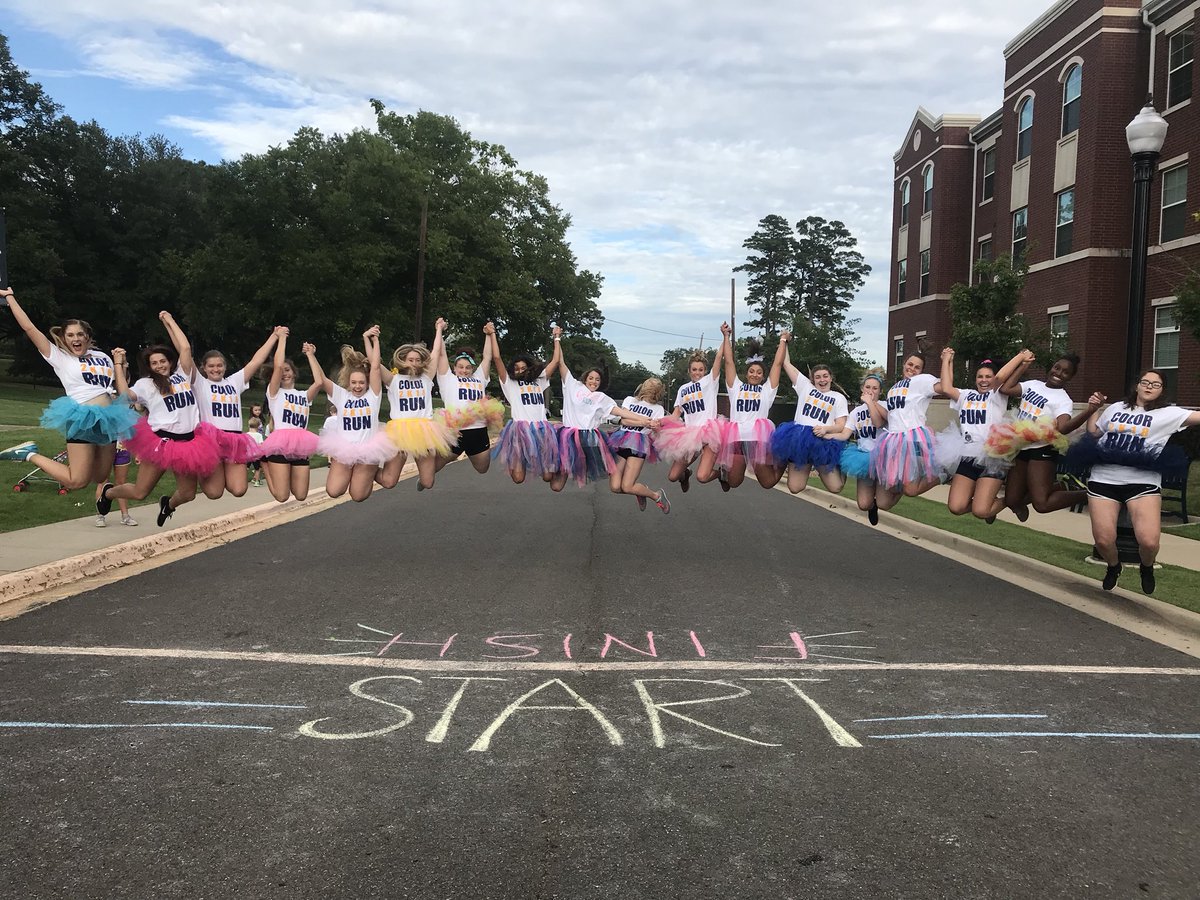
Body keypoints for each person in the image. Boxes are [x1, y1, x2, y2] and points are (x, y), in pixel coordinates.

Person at [0, 289, 139, 503]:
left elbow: (121, 390)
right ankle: (27, 453)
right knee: (77, 481)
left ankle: (104, 495)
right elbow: (29, 328)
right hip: (82, 417)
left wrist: (120, 362)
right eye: (70, 335)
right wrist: (10, 298)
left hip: (109, 418)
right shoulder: (60, 357)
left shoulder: (102, 356)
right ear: (64, 339)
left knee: (101, 476)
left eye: (80, 334)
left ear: (88, 337)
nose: (76, 338)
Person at [1072, 370, 1200, 594]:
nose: (1149, 386)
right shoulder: (1115, 408)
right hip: (1104, 477)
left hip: (1142, 481)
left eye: (1156, 384)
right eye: (1145, 382)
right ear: (1137, 385)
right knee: (1103, 541)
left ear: (1162, 390)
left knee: (1149, 542)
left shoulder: (1169, 413)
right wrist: (1093, 410)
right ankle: (1114, 566)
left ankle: (1146, 567)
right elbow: (1094, 433)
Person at [98, 312, 220, 527]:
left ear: (170, 362)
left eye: (162, 361)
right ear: (149, 367)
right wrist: (118, 364)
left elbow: (185, 348)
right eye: (154, 363)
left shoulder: (183, 375)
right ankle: (109, 493)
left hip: (188, 442)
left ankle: (168, 505)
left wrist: (169, 321)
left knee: (188, 494)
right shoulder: (146, 384)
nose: (160, 365)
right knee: (140, 492)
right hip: (160, 442)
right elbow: (125, 396)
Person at [992, 351, 1098, 520]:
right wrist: (1024, 365)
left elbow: (1063, 428)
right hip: (1021, 447)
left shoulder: (1063, 400)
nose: (1059, 373)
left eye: (1065, 372)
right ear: (1051, 368)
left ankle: (1088, 494)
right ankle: (1059, 486)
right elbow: (1006, 388)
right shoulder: (1033, 384)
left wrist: (1089, 411)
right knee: (1012, 500)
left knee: (1041, 505)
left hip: (1042, 449)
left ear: (1070, 377)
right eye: (1057, 368)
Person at [935, 349, 1029, 522]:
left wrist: (1020, 357)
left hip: (992, 455)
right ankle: (989, 506)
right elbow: (947, 387)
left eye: (988, 376)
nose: (984, 380)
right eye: (980, 376)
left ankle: (1015, 501)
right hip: (968, 455)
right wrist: (947, 359)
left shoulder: (997, 395)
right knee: (956, 507)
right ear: (975, 379)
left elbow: (1001, 378)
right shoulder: (966, 395)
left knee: (980, 511)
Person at [194, 327, 282, 500]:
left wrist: (274, 336)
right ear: (203, 368)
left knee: (239, 489)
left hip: (234, 441)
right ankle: (200, 469)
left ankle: (221, 473)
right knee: (214, 493)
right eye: (211, 366)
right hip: (210, 440)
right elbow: (185, 353)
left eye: (219, 365)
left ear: (225, 366)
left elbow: (256, 362)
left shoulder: (234, 382)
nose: (216, 369)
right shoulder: (199, 383)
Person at [551, 354, 659, 492]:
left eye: (597, 379)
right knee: (554, 483)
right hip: (567, 437)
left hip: (586, 441)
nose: (594, 382)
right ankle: (548, 472)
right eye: (591, 378)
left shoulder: (602, 398)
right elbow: (560, 362)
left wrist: (644, 420)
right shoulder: (573, 386)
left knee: (557, 487)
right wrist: (557, 338)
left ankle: (642, 492)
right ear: (585, 379)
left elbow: (621, 412)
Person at [314, 326, 397, 502]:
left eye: (361, 382)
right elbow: (321, 380)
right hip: (345, 449)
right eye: (354, 382)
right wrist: (311, 356)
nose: (357, 386)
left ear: (367, 384)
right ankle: (359, 474)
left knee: (358, 496)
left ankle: (369, 471)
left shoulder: (373, 396)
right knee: (334, 491)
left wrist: (372, 339)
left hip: (368, 449)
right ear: (348, 382)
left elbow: (375, 368)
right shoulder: (341, 395)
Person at [380, 319, 456, 492]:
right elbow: (376, 364)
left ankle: (423, 480)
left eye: (417, 360)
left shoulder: (426, 378)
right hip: (399, 430)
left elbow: (435, 351)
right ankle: (367, 472)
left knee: (428, 482)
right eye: (410, 359)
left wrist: (438, 329)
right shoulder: (393, 380)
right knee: (389, 482)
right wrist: (372, 340)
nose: (413, 363)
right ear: (402, 361)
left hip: (424, 430)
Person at [770, 331, 849, 494]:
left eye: (825, 376)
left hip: (823, 441)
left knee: (836, 487)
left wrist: (826, 429)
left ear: (831, 378)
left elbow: (840, 425)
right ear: (813, 379)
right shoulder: (806, 386)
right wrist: (784, 340)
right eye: (818, 377)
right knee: (795, 487)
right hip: (800, 440)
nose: (822, 380)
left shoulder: (838, 397)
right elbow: (786, 363)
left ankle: (841, 465)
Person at [489, 324, 561, 485]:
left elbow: (555, 361)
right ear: (512, 371)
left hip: (542, 429)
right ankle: (522, 459)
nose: (521, 370)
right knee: (518, 479)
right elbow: (497, 358)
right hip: (520, 431)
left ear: (529, 368)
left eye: (523, 368)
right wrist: (492, 334)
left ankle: (555, 464)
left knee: (548, 477)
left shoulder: (539, 380)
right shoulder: (509, 384)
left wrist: (556, 337)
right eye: (517, 368)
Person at [654, 333, 726, 492]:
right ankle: (685, 474)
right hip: (690, 436)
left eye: (701, 370)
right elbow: (675, 415)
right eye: (694, 369)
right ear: (689, 371)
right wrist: (660, 422)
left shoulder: (710, 381)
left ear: (705, 370)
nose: (697, 373)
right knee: (673, 476)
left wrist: (725, 336)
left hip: (709, 433)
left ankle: (721, 474)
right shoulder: (683, 389)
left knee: (702, 477)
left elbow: (719, 358)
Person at [257, 330, 323, 502]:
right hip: (279, 444)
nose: (284, 373)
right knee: (282, 496)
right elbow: (278, 366)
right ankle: (264, 463)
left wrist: (310, 355)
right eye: (281, 371)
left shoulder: (304, 396)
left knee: (301, 495)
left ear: (294, 373)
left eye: (288, 370)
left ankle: (272, 466)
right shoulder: (274, 393)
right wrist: (282, 338)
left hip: (300, 445)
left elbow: (319, 382)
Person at [869, 351, 943, 497]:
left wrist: (947, 361)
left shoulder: (921, 382)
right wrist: (872, 403)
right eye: (910, 364)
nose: (912, 369)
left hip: (912, 437)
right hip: (893, 438)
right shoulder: (893, 389)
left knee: (910, 490)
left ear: (921, 371)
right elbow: (892, 416)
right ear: (904, 365)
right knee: (892, 484)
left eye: (917, 367)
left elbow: (944, 387)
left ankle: (944, 475)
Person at [434, 324, 502, 476]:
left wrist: (488, 335)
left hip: (478, 429)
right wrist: (439, 329)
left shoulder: (479, 378)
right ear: (454, 367)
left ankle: (464, 452)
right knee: (433, 468)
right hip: (455, 431)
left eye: (468, 368)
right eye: (460, 367)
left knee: (483, 469)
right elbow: (441, 355)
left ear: (472, 368)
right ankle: (454, 454)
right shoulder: (447, 378)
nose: (464, 370)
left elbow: (487, 357)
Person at [722, 333, 786, 489]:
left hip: (758, 440)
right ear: (746, 373)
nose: (755, 374)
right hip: (736, 437)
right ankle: (723, 474)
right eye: (752, 371)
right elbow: (729, 362)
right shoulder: (736, 387)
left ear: (763, 376)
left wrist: (783, 340)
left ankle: (786, 459)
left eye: (759, 372)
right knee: (734, 482)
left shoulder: (767, 390)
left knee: (768, 482)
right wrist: (726, 337)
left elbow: (777, 364)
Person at [836, 372, 895, 525]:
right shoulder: (856, 412)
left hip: (885, 458)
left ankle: (901, 486)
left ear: (880, 391)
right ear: (862, 388)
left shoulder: (886, 406)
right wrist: (825, 434)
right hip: (864, 458)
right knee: (863, 504)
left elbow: (878, 423)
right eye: (868, 387)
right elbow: (845, 434)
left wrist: (870, 403)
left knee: (885, 503)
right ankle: (872, 506)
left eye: (875, 388)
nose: (871, 390)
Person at [608, 376, 670, 513]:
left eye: (655, 389)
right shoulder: (630, 400)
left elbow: (657, 431)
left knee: (627, 486)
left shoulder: (658, 409)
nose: (651, 391)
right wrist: (644, 422)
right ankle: (641, 491)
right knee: (615, 487)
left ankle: (656, 495)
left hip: (638, 445)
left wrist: (656, 428)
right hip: (621, 440)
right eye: (650, 387)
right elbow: (624, 421)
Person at [93, 441, 136, 527]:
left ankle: (125, 516)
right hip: (105, 447)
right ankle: (100, 516)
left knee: (121, 483)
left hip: (122, 447)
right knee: (103, 481)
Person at [246, 418, 265, 486]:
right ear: (258, 426)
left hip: (248, 454)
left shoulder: (247, 434)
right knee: (257, 468)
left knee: (246, 467)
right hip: (256, 455)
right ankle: (256, 481)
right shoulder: (259, 435)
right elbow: (261, 444)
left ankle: (244, 479)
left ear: (249, 425)